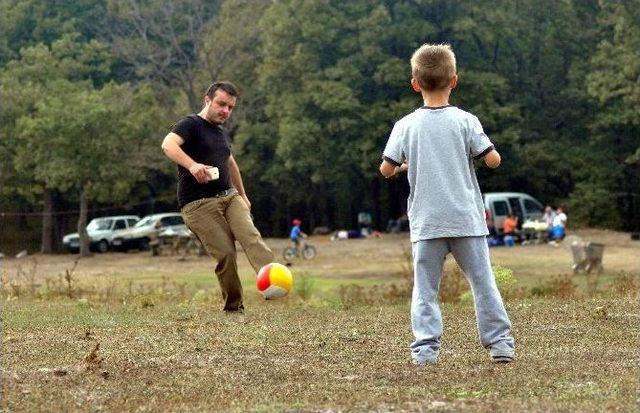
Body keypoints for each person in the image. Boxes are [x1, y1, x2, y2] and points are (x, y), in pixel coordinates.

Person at [379, 44, 515, 365]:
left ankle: (425, 351)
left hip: (427, 223)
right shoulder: (466, 121)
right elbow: (493, 160)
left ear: (415, 84)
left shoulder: (405, 126)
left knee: (425, 289)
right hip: (466, 219)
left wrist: (404, 165)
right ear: (454, 80)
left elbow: (386, 169)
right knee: (483, 284)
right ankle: (500, 346)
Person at [161, 81, 275, 313]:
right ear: (208, 100)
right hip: (198, 205)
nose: (225, 111)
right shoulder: (190, 124)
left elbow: (230, 163)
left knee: (251, 237)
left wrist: (243, 195)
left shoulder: (221, 133)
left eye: (230, 107)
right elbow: (167, 144)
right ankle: (234, 308)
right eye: (221, 104)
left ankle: (274, 283)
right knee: (226, 254)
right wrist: (192, 166)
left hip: (229, 196)